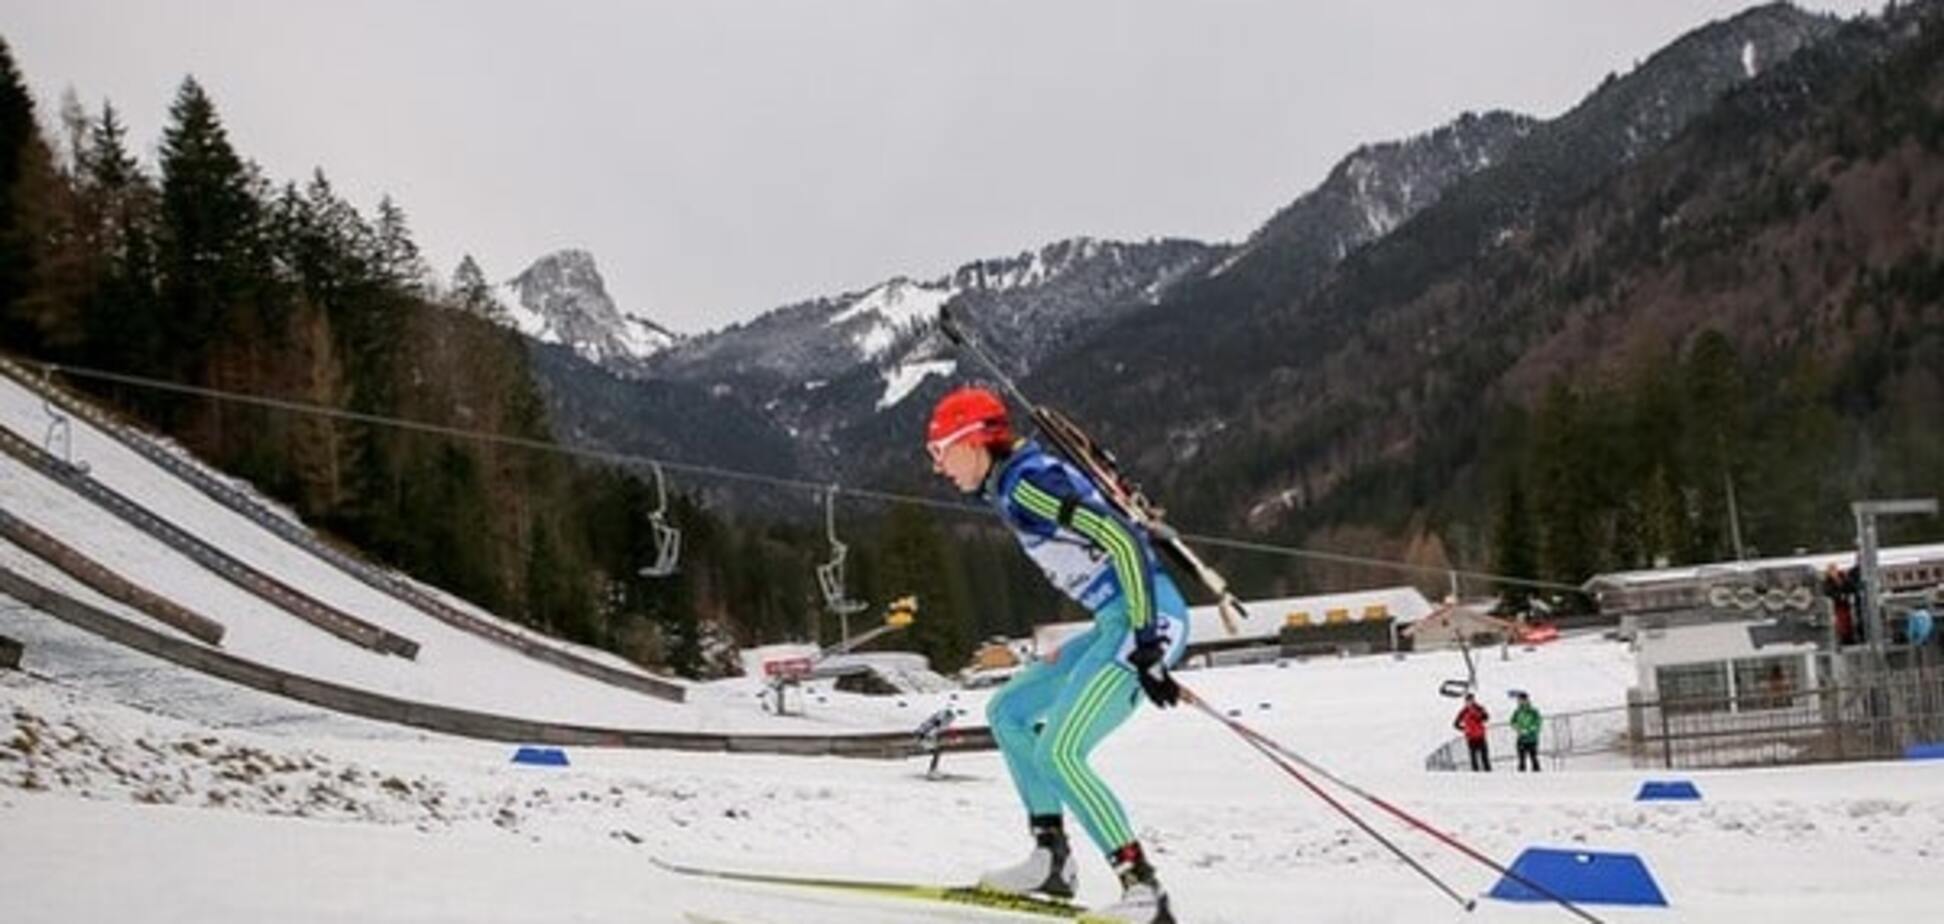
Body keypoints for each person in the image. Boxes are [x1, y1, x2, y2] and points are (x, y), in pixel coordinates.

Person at [928, 386, 1187, 924]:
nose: (938, 467)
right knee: (1009, 712)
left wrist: (1146, 642)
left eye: (940, 451)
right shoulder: (1012, 481)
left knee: (1060, 751)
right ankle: (1051, 858)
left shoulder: (1027, 486)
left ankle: (1143, 888)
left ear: (973, 442)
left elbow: (1121, 540)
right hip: (1115, 620)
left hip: (1146, 616)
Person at [1454, 693, 1491, 772]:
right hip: (1471, 738)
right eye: (1468, 701)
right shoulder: (1463, 711)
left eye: (1471, 700)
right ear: (1466, 702)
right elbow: (1455, 724)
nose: (1470, 702)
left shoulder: (1479, 708)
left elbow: (1486, 717)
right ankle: (1475, 775)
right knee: (1473, 759)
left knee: (1484, 757)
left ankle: (1488, 773)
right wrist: (1465, 729)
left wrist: (1478, 715)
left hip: (1481, 736)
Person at [1511, 692, 1542, 773]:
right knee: (1521, 760)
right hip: (1521, 739)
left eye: (1521, 700)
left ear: (1526, 700)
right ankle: (1521, 779)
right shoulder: (1517, 711)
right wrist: (1517, 728)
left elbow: (1538, 723)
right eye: (1519, 700)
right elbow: (1512, 721)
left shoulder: (1533, 711)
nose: (1519, 702)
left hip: (1531, 739)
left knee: (1534, 758)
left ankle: (1538, 777)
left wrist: (1529, 730)